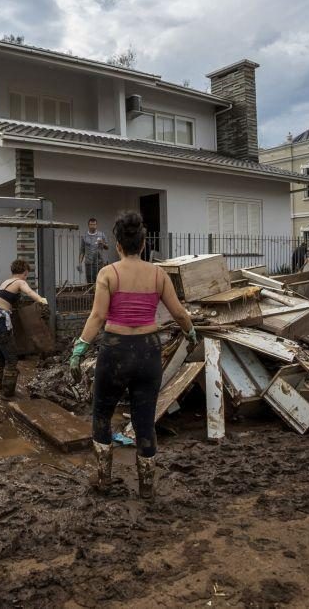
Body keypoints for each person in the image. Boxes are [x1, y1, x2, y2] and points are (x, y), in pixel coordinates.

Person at [69, 212, 197, 499]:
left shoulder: (108, 273)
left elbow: (98, 316)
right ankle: (147, 487)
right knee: (144, 419)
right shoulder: (158, 274)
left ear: (117, 245)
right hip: (148, 352)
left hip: (115, 351)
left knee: (101, 413)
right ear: (142, 245)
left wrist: (80, 348)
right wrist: (190, 333)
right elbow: (178, 313)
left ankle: (103, 481)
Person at [0, 259, 48, 398]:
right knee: (12, 359)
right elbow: (30, 292)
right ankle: (7, 393)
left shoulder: (5, 283)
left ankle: (0, 389)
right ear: (24, 272)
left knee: (0, 358)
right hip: (0, 321)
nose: (26, 277)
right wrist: (41, 300)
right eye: (26, 275)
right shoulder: (19, 282)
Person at [77, 217, 109, 285]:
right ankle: (91, 295)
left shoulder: (101, 234)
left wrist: (102, 243)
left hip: (99, 262)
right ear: (88, 225)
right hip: (88, 262)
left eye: (94, 224)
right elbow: (82, 251)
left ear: (96, 225)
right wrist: (79, 263)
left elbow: (107, 247)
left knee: (99, 280)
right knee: (90, 282)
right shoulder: (84, 236)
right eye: (91, 224)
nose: (93, 226)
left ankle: (98, 295)